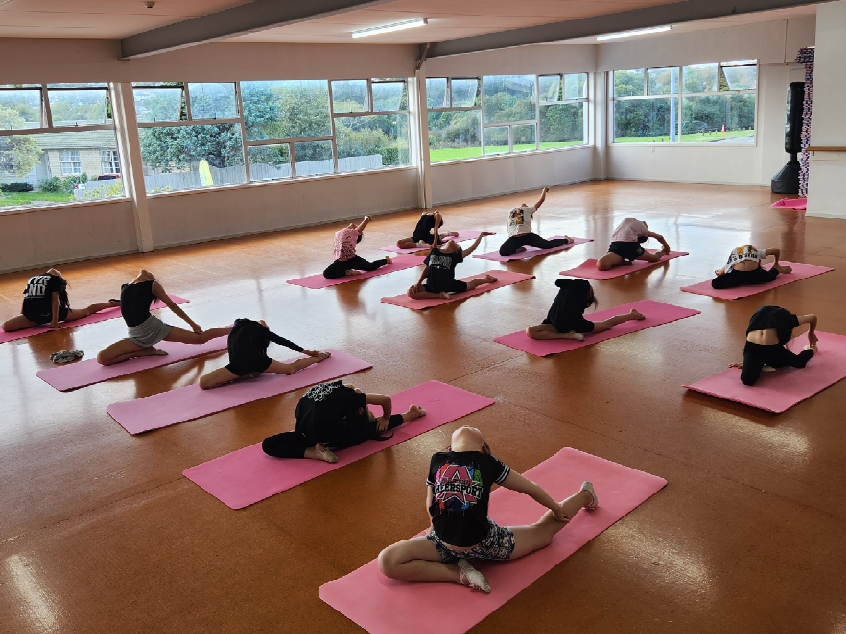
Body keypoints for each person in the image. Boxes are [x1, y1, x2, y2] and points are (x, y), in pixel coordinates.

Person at [377, 426, 598, 593]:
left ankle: (456, 569)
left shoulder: (438, 459)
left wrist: (435, 526)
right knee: (543, 533)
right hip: (475, 543)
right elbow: (530, 488)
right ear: (484, 449)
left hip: (459, 541)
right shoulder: (489, 462)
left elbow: (430, 503)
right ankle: (459, 573)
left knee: (388, 561)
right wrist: (555, 509)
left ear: (450, 449)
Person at [261, 380, 426, 463]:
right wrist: (385, 417)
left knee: (268, 445)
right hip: (319, 434)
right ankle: (411, 415)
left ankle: (314, 451)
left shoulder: (334, 389)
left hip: (303, 428)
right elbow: (385, 399)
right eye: (364, 408)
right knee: (370, 429)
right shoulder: (350, 399)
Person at [96, 270, 231, 366]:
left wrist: (193, 324)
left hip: (154, 328)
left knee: (200, 339)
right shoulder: (125, 286)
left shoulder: (152, 284)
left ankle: (233, 329)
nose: (151, 274)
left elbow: (172, 305)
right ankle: (145, 351)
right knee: (103, 359)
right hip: (136, 335)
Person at [198, 318, 330, 389]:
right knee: (290, 369)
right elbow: (282, 341)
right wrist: (305, 351)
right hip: (251, 363)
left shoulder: (236, 326)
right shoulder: (259, 329)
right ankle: (319, 356)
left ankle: (246, 375)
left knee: (203, 383)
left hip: (238, 365)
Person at [407, 213, 496, 300]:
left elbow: (472, 247)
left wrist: (481, 234)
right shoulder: (435, 251)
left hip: (449, 285)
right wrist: (418, 282)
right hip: (432, 285)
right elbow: (426, 268)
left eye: (457, 245)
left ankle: (487, 279)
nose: (454, 242)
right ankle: (440, 295)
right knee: (410, 292)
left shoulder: (455, 256)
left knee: (471, 285)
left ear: (456, 251)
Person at [1, 268, 120, 332]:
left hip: (52, 312)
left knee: (86, 312)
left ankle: (112, 304)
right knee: (6, 327)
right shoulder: (53, 280)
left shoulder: (33, 278)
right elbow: (29, 297)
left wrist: (55, 320)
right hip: (37, 314)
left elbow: (54, 301)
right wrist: (24, 315)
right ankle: (111, 303)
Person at [526, 278, 646, 341]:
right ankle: (567, 335)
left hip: (568, 323)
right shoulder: (576, 289)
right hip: (559, 322)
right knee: (530, 331)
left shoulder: (576, 290)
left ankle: (632, 315)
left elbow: (560, 283)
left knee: (605, 325)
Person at [729, 305, 817, 386]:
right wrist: (810, 332)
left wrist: (810, 333)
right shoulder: (787, 318)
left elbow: (812, 317)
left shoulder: (778, 316)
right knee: (747, 380)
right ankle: (811, 349)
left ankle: (811, 349)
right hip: (754, 347)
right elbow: (812, 317)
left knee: (792, 363)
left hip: (768, 348)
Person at [499, 187, 572, 257]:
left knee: (547, 245)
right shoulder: (511, 211)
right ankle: (518, 248)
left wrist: (544, 190)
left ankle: (567, 240)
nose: (524, 204)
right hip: (514, 238)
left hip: (528, 237)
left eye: (526, 205)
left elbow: (541, 200)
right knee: (502, 252)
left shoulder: (529, 210)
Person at [323, 216, 392, 279]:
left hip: (352, 260)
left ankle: (386, 260)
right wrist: (362, 222)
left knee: (370, 267)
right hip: (341, 262)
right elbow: (353, 230)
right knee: (326, 274)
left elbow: (357, 230)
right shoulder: (343, 234)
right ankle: (346, 272)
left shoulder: (345, 235)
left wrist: (362, 222)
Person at [596, 218, 671, 271]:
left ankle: (621, 259)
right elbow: (659, 237)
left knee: (601, 266)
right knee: (654, 258)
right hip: (627, 246)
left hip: (618, 245)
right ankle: (664, 251)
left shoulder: (627, 221)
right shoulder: (642, 227)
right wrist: (666, 246)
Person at [711, 245, 792, 289]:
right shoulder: (756, 251)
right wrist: (775, 262)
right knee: (770, 277)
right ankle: (776, 269)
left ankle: (777, 269)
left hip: (750, 273)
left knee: (715, 283)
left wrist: (720, 274)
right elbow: (776, 251)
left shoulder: (756, 252)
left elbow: (723, 271)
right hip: (745, 274)